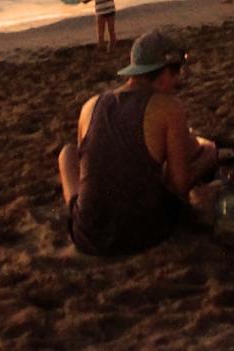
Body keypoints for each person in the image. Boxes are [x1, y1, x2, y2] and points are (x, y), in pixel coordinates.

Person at [58, 30, 218, 256]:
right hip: (143, 233)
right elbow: (179, 186)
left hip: (88, 235)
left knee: (67, 153)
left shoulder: (91, 105)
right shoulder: (168, 106)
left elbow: (91, 166)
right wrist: (204, 150)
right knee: (209, 151)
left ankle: (75, 208)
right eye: (176, 72)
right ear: (164, 73)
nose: (177, 80)